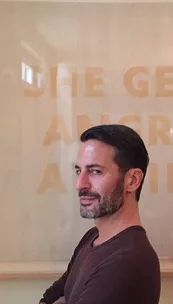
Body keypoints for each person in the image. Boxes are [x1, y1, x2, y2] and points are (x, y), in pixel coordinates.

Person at [38, 124, 161, 304]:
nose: (80, 184)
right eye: (79, 171)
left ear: (132, 180)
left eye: (95, 171)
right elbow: (50, 298)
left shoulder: (126, 262)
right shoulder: (93, 237)